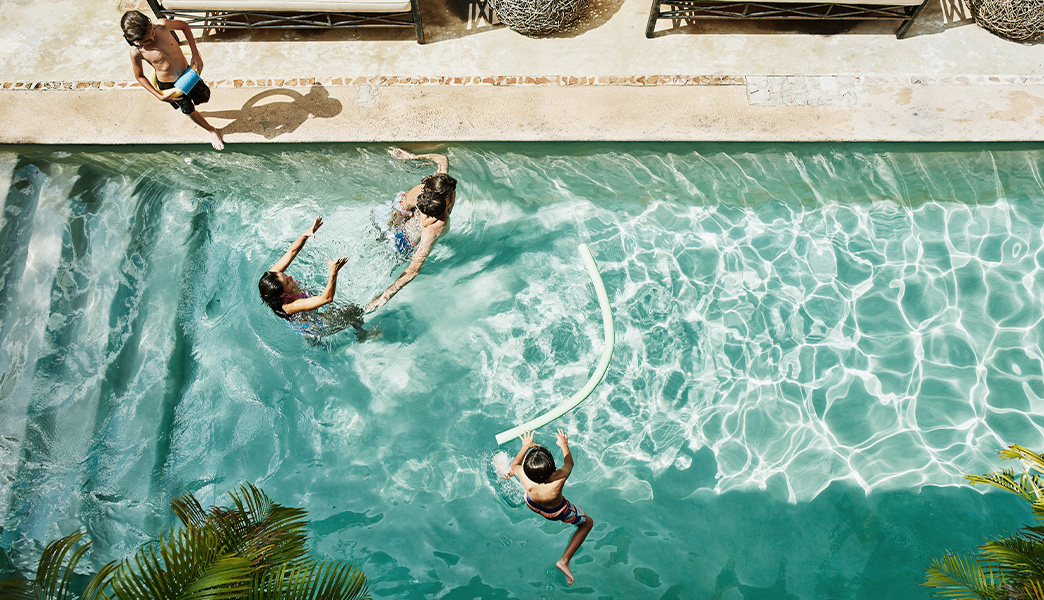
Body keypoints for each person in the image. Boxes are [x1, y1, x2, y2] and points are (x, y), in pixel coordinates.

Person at [365, 148, 457, 313]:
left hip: (399, 225)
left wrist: (413, 157)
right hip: (399, 231)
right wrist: (386, 294)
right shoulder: (435, 222)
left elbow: (442, 159)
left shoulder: (441, 189)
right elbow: (413, 269)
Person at [121, 10, 224, 150]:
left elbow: (185, 26)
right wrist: (159, 95)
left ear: (151, 24)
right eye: (146, 41)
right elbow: (139, 76)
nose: (152, 39)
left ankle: (194, 111)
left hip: (187, 74)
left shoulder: (162, 26)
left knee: (204, 97)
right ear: (134, 41)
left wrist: (195, 54)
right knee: (189, 110)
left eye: (152, 32)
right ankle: (211, 130)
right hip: (169, 86)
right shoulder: (137, 52)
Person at [505, 429, 595, 585]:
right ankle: (564, 560)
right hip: (557, 511)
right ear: (553, 469)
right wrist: (564, 444)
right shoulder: (558, 479)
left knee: (511, 471)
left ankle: (504, 473)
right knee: (587, 524)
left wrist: (525, 446)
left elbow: (515, 465)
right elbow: (569, 463)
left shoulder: (524, 477)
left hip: (532, 503)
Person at [258, 216, 363, 337]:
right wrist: (334, 273)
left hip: (300, 305)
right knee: (354, 310)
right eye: (287, 281)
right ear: (284, 295)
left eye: (284, 274)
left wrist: (305, 234)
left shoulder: (273, 278)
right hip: (312, 324)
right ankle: (363, 334)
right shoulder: (289, 306)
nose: (290, 276)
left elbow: (292, 251)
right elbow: (326, 299)